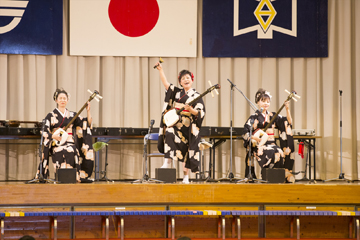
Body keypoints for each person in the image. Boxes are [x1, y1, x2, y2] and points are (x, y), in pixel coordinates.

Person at [155, 62, 205, 184]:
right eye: (183, 78)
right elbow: (166, 84)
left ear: (192, 80)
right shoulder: (177, 92)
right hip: (176, 124)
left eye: (188, 78)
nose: (185, 80)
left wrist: (191, 110)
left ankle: (186, 177)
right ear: (180, 82)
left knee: (187, 151)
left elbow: (200, 112)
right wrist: (161, 70)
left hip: (188, 128)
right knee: (170, 132)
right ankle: (167, 162)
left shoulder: (196, 95)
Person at [35, 88, 94, 182]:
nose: (62, 100)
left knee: (71, 150)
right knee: (59, 150)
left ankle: (73, 177)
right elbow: (44, 131)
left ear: (67, 100)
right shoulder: (51, 115)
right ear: (56, 100)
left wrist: (88, 110)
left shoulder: (72, 115)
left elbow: (87, 123)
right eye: (60, 98)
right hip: (57, 143)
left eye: (64, 98)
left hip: (69, 142)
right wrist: (53, 136)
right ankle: (60, 178)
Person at [242, 88, 295, 183]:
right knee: (271, 152)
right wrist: (254, 138)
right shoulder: (254, 117)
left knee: (279, 151)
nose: (266, 103)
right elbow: (245, 132)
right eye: (263, 101)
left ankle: (275, 178)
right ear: (257, 102)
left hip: (271, 143)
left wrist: (287, 109)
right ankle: (266, 175)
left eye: (268, 101)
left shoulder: (273, 116)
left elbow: (288, 123)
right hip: (260, 145)